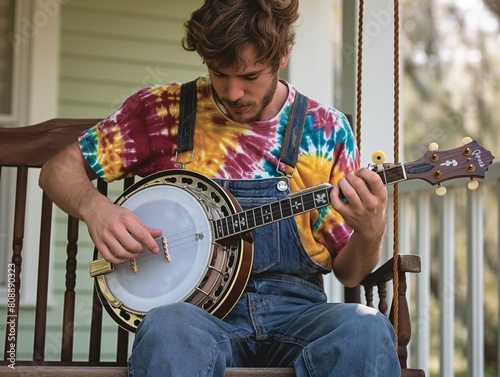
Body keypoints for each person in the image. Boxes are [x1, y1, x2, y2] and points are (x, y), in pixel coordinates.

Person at [39, 0, 400, 376]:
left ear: (283, 55)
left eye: (250, 76)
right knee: (168, 329)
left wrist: (371, 227)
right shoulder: (163, 111)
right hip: (198, 318)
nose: (232, 92)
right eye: (219, 73)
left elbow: (350, 274)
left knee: (367, 330)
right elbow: (56, 169)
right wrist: (97, 208)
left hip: (299, 316)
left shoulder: (325, 129)